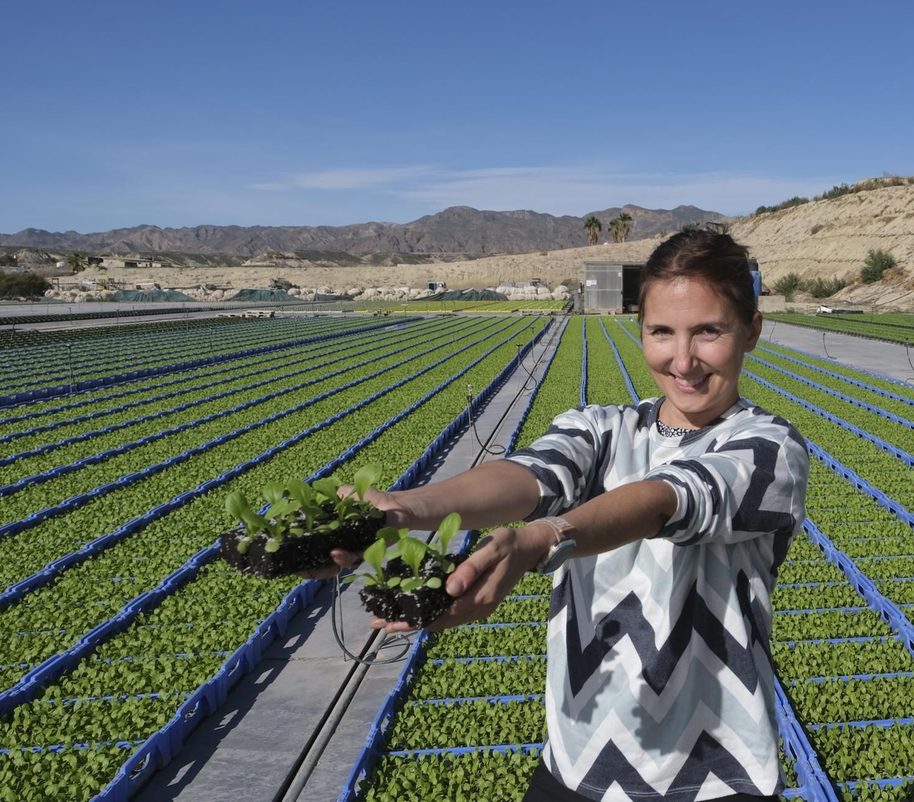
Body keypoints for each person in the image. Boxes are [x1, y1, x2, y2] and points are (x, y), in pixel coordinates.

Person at [309, 226, 808, 802]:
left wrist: (543, 539)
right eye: (662, 332)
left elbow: (669, 498)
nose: (683, 358)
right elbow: (533, 474)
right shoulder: (600, 427)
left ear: (751, 331)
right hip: (578, 763)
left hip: (715, 778)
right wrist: (405, 508)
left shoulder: (769, 448)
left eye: (709, 332)